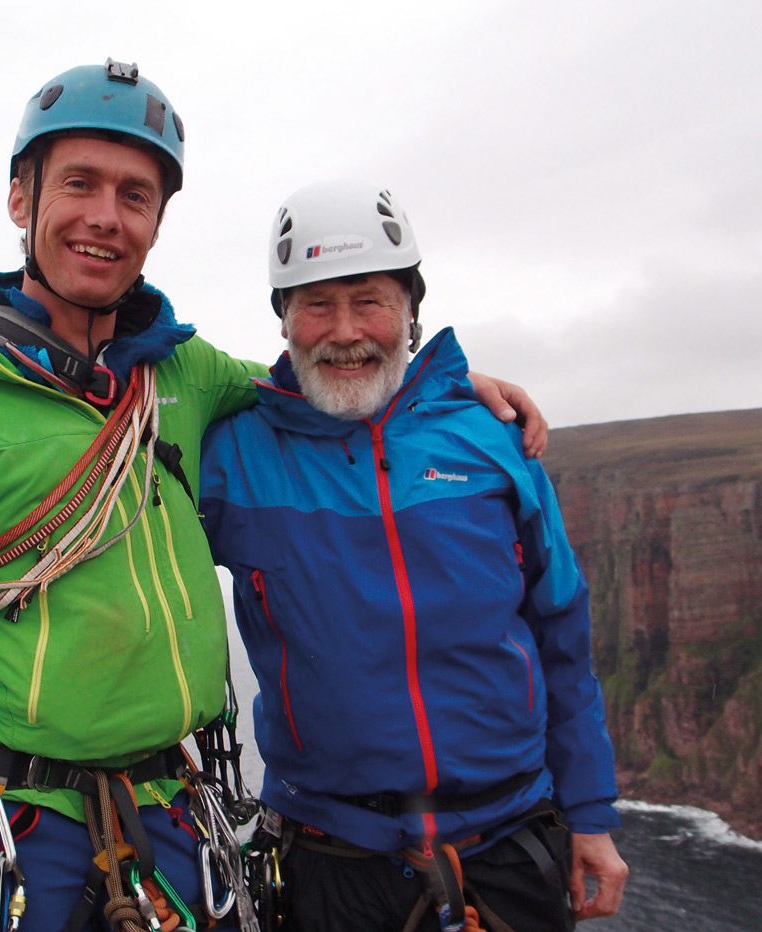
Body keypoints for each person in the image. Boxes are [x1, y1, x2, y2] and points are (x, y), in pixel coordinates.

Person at [0, 61, 546, 932]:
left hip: (177, 831)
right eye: (79, 183)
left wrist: (435, 384)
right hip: (17, 844)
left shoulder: (182, 374)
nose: (106, 216)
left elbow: (325, 386)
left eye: (135, 194)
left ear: (157, 222)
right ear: (19, 198)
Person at [197, 180, 626, 931]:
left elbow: (562, 636)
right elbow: (98, 427)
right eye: (316, 305)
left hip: (511, 849)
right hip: (332, 862)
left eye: (368, 301)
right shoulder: (233, 453)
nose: (344, 330)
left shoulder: (490, 439)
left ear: (409, 312)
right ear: (285, 321)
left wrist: (591, 814)